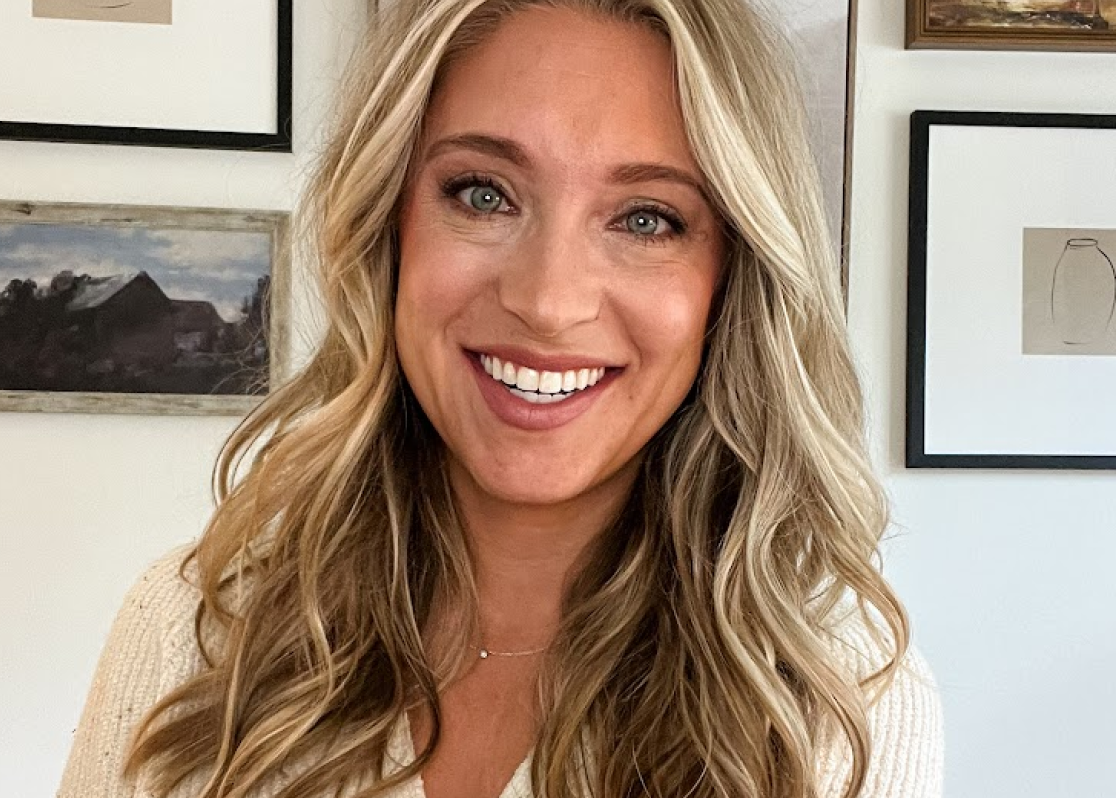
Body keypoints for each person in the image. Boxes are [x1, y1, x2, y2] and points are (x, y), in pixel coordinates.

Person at [58, 1, 944, 797]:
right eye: (483, 195)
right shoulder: (195, 633)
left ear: (731, 278)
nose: (548, 301)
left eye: (646, 218)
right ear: (389, 227)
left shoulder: (833, 700)